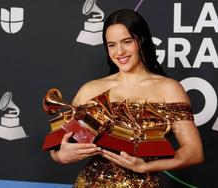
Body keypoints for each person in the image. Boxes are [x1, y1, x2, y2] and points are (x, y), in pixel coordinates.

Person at [50, 9, 204, 187]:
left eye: (127, 42)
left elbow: (194, 152)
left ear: (141, 41)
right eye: (112, 45)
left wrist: (146, 166)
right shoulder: (90, 89)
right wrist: (61, 155)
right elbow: (58, 146)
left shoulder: (169, 89)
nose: (120, 52)